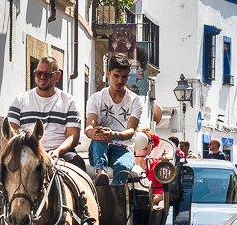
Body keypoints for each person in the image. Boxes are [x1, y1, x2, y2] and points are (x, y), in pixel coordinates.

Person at [7, 56, 84, 171]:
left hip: (60, 155)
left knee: (77, 162)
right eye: (38, 73)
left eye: (47, 74)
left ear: (57, 75)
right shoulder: (19, 101)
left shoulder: (69, 102)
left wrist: (58, 151)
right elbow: (10, 133)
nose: (42, 77)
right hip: (26, 154)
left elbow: (73, 136)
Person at [86, 53, 143, 186]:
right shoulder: (96, 98)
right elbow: (89, 127)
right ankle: (101, 173)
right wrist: (94, 132)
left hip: (124, 148)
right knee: (99, 137)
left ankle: (111, 196)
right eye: (116, 76)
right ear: (108, 74)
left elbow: (130, 131)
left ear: (128, 76)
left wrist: (114, 135)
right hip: (100, 146)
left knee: (122, 168)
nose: (119, 81)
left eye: (124, 77)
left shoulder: (135, 101)